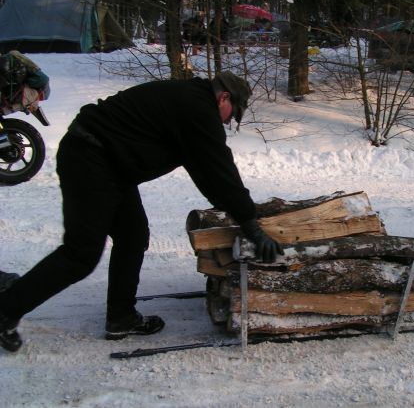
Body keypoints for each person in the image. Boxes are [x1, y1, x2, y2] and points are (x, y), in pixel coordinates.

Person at [0, 71, 283, 353]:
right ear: (224, 97)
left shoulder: (191, 102)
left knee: (133, 235)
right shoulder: (198, 108)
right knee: (80, 254)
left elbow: (207, 172)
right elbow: (220, 170)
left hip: (109, 163)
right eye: (232, 114)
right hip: (90, 157)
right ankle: (6, 309)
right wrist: (251, 225)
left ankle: (121, 317)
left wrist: (235, 209)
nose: (227, 121)